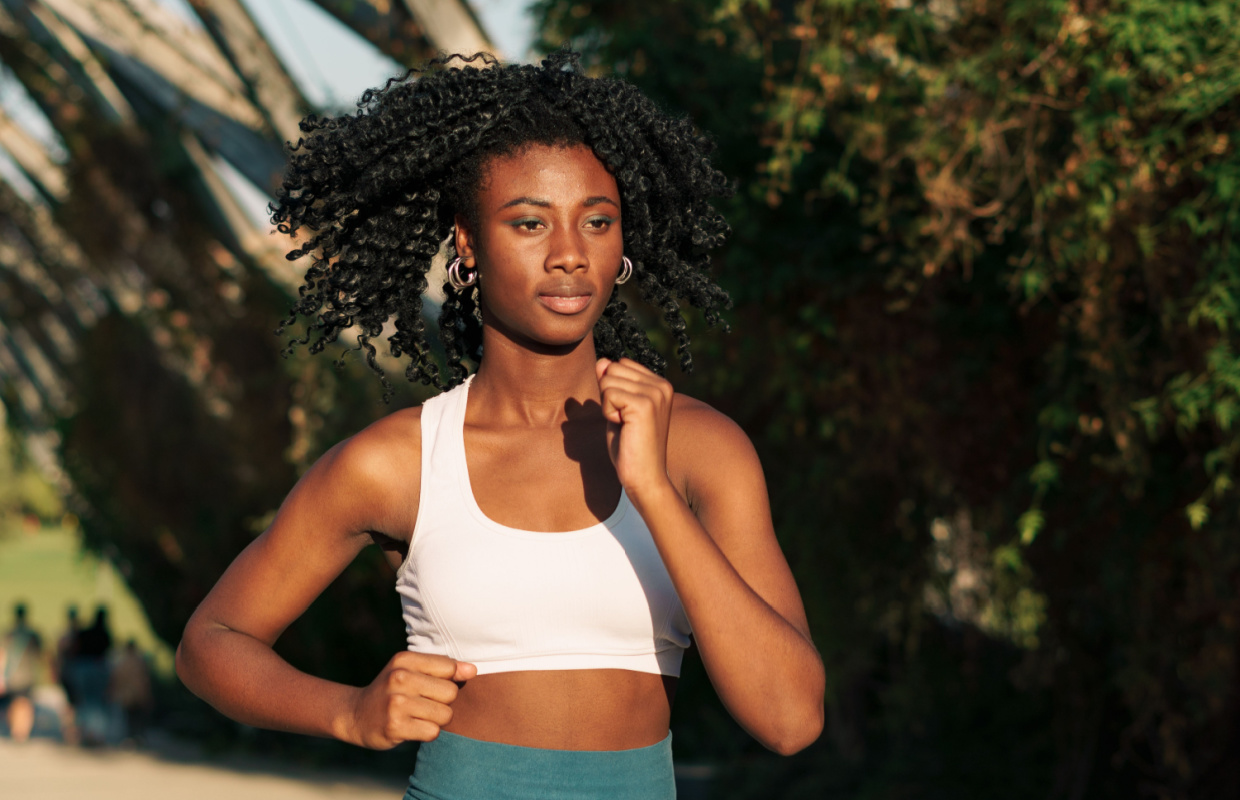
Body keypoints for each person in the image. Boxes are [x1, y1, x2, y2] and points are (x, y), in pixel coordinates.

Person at [176, 51, 825, 799]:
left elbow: (790, 719)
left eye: (598, 221)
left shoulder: (698, 449)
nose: (570, 256)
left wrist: (649, 486)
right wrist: (349, 711)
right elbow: (210, 644)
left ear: (623, 247)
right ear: (467, 244)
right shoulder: (400, 463)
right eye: (528, 223)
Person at [1, 602, 43, 742]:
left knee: (14, 703)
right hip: (28, 674)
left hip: (12, 675)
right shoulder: (32, 634)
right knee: (25, 703)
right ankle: (23, 730)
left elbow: (3, 655)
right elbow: (40, 654)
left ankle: (16, 729)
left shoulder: (9, 634)